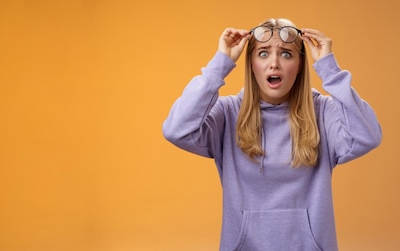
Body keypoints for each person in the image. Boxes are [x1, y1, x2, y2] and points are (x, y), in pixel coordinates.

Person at [162, 18, 382, 251]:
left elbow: (367, 136)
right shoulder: (227, 113)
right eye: (263, 53)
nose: (274, 63)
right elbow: (176, 130)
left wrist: (330, 69)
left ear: (299, 66)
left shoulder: (323, 113)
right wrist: (220, 63)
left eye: (286, 54)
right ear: (251, 65)